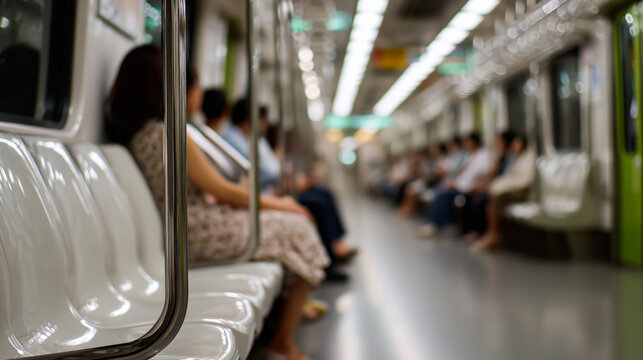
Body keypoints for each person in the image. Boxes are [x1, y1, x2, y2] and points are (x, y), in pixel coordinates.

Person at [107, 45, 329, 360]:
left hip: (188, 228)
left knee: (292, 230)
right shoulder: (170, 134)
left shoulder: (142, 134)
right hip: (199, 232)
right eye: (192, 83)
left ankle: (283, 330)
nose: (196, 90)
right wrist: (285, 206)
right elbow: (223, 190)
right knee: (300, 227)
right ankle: (283, 343)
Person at [419, 133, 492, 238]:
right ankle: (435, 223)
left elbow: (480, 176)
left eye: (468, 141)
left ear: (474, 142)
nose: (466, 144)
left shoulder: (483, 156)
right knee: (438, 191)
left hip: (470, 186)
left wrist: (457, 184)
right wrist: (454, 182)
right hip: (462, 184)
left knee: (442, 195)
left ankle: (439, 224)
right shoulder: (471, 156)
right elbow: (464, 174)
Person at [470, 134, 535, 251]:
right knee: (489, 198)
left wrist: (497, 186)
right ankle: (491, 234)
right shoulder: (517, 158)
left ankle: (494, 235)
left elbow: (524, 181)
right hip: (512, 189)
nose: (515, 146)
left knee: (494, 198)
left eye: (517, 143)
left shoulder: (528, 158)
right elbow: (509, 177)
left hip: (522, 192)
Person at [462, 131, 515, 238]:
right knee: (469, 197)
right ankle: (472, 231)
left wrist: (485, 186)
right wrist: (481, 184)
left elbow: (507, 178)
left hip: (501, 188)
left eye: (499, 142)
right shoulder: (500, 157)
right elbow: (490, 174)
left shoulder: (511, 158)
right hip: (495, 185)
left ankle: (484, 233)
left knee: (480, 201)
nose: (496, 145)